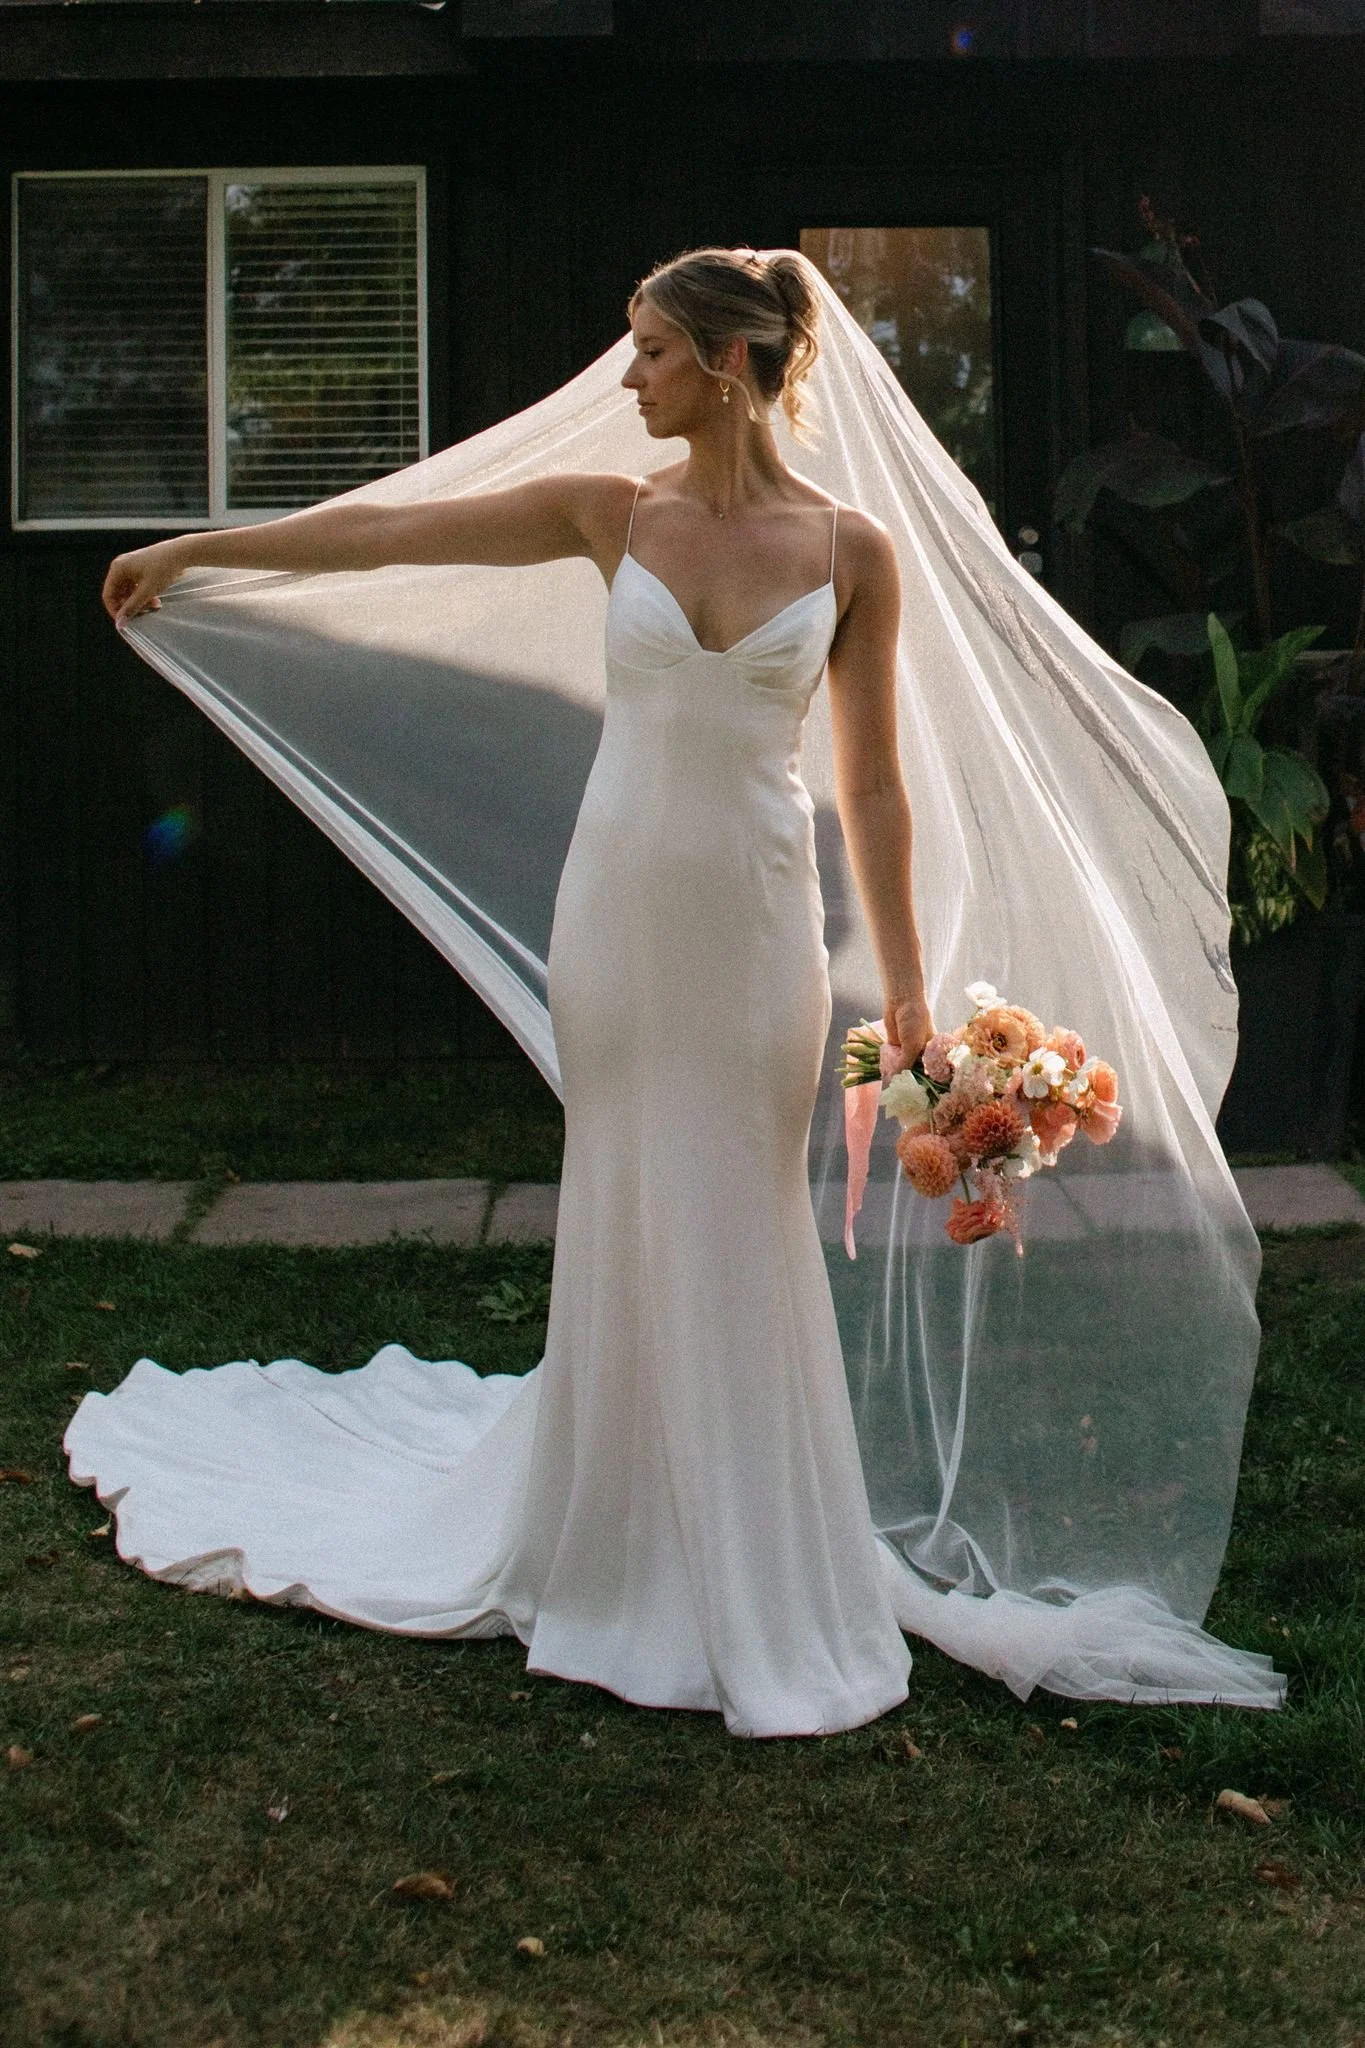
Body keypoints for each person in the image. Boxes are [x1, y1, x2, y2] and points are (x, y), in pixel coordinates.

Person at [88, 248, 936, 1737]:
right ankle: (612, 1532)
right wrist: (206, 549)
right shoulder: (607, 513)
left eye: (654, 354)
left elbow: (871, 785)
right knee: (626, 1191)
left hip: (756, 925)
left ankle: (754, 1546)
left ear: (729, 367)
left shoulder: (855, 554)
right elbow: (392, 537)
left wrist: (913, 997)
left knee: (743, 1204)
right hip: (621, 910)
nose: (628, 382)